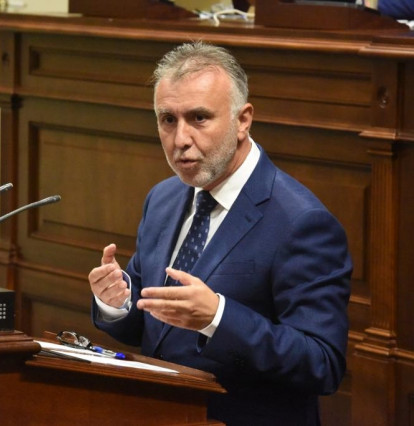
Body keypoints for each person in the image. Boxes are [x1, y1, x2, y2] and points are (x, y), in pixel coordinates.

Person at [88, 41, 351, 426]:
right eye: (167, 120)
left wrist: (218, 318)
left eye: (198, 118)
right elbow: (149, 328)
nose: (180, 140)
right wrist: (116, 303)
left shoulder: (302, 222)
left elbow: (322, 364)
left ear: (243, 120)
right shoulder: (162, 198)